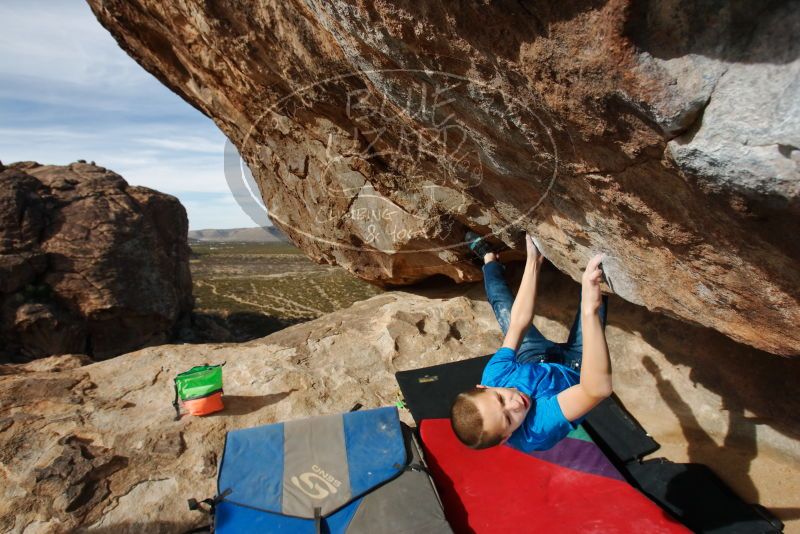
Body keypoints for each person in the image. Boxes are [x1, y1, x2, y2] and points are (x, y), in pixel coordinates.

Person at [450, 232, 611, 451]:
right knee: (597, 290)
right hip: (579, 375)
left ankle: (489, 259)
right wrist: (589, 310)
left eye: (500, 398)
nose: (514, 405)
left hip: (535, 360)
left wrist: (533, 261)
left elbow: (517, 322)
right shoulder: (536, 428)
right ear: (506, 437)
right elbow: (596, 390)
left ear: (484, 386)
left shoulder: (495, 376)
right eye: (508, 419)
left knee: (503, 306)